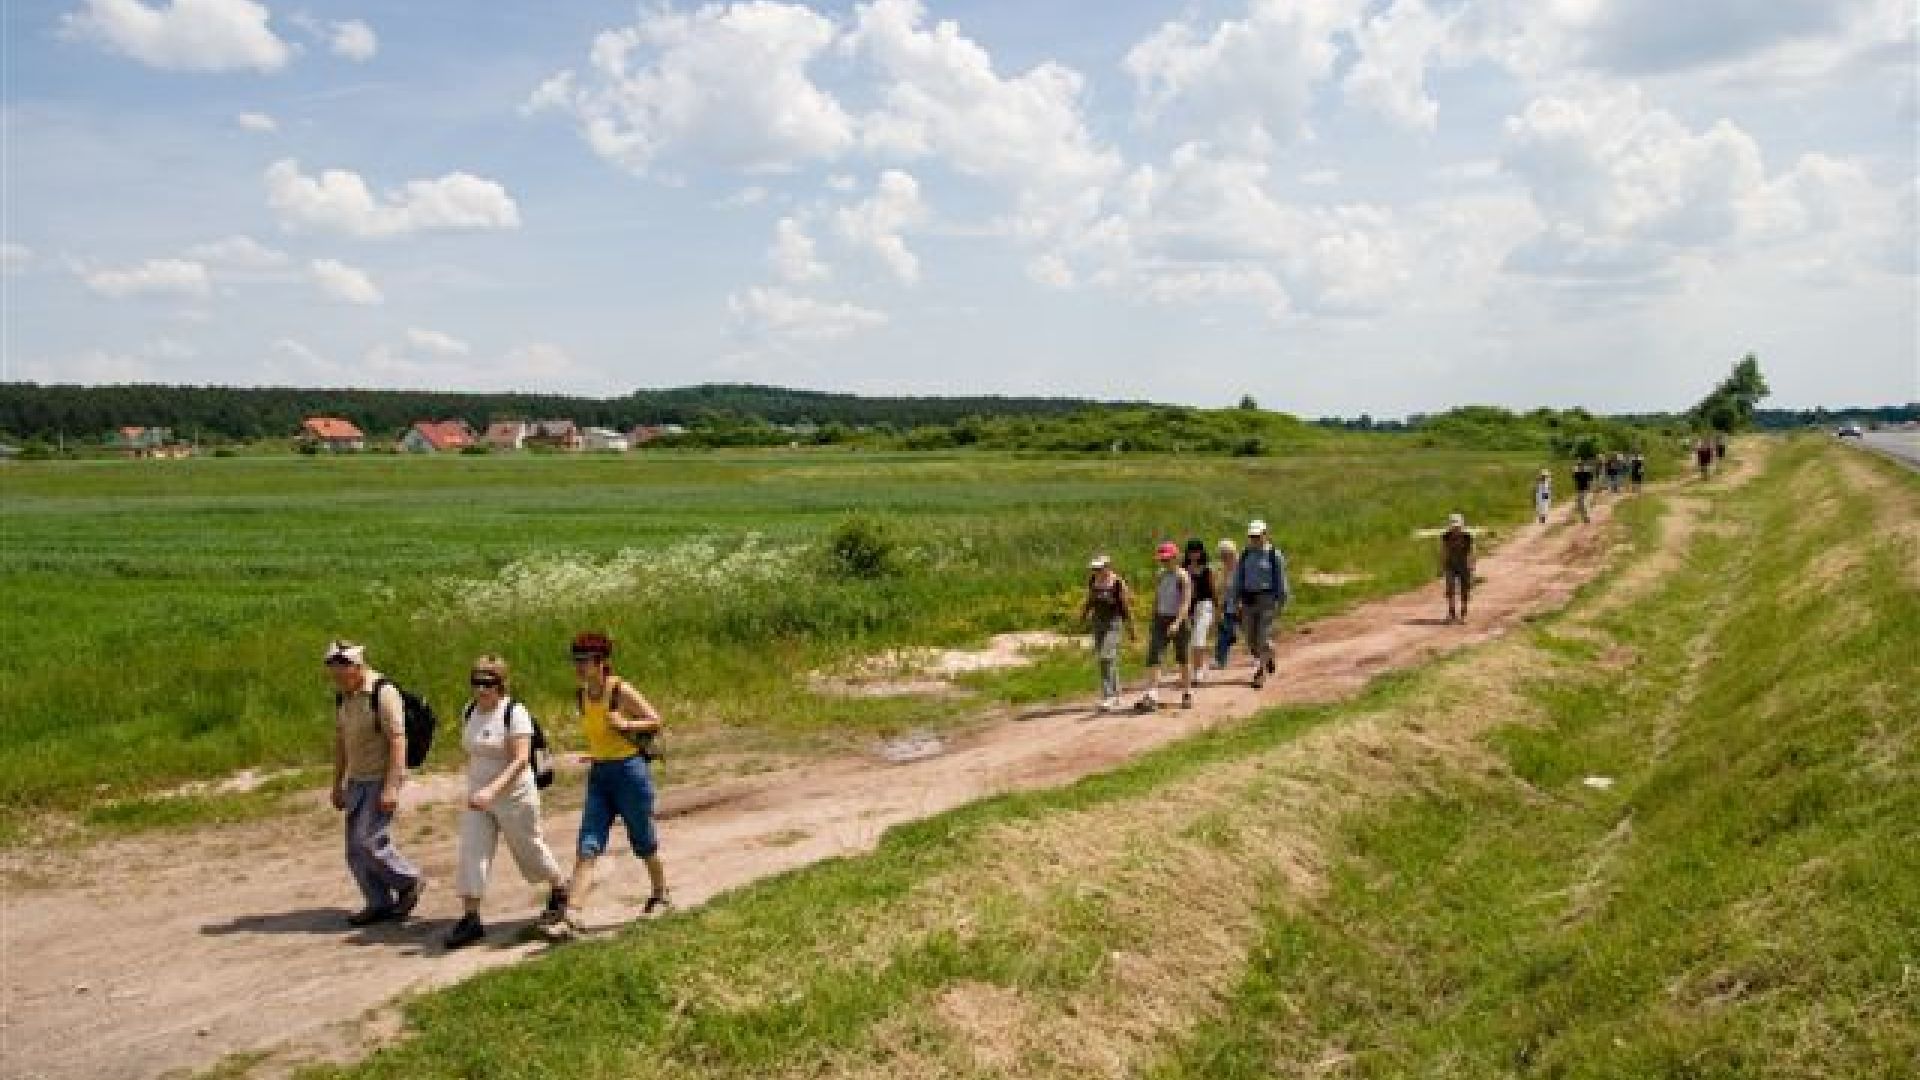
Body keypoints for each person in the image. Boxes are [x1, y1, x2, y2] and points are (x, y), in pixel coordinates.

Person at [541, 631, 671, 941]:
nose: (579, 667)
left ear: (602, 663)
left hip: (630, 774)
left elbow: (655, 719)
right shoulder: (582, 695)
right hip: (600, 775)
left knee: (643, 840)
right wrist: (596, 753)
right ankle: (572, 917)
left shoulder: (621, 691)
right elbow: (600, 733)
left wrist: (627, 724)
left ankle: (660, 894)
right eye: (576, 661)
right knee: (588, 845)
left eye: (585, 662)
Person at [445, 655, 568, 949]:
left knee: (529, 850)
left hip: (514, 796)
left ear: (501, 684)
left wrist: (493, 790)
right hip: (479, 798)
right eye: (476, 682)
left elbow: (521, 760)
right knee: (472, 852)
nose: (481, 689)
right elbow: (474, 751)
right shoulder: (469, 711)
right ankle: (471, 918)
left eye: (487, 683)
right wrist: (478, 788)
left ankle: (560, 888)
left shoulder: (514, 713)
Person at [325, 640, 424, 927]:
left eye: (342, 671)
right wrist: (337, 783)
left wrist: (392, 785)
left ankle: (409, 880)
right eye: (333, 671)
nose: (338, 677)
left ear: (356, 666)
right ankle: (378, 902)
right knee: (355, 849)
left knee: (370, 842)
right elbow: (342, 741)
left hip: (380, 778)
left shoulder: (383, 692)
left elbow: (397, 739)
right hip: (357, 779)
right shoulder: (344, 696)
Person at [1135, 542, 1193, 712]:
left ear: (1176, 558)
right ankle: (1152, 694)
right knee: (1154, 655)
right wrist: (1153, 618)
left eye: (1167, 559)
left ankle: (1187, 692)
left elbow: (1185, 602)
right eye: (1162, 559)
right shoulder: (1160, 575)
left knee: (1183, 658)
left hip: (1179, 621)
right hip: (1160, 619)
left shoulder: (1182, 576)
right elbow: (1157, 598)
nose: (1164, 562)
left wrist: (1177, 622)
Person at [1234, 520, 1291, 689]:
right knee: (1250, 637)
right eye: (1252, 536)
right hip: (1248, 600)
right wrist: (1235, 600)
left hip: (1267, 600)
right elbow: (1239, 578)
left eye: (1257, 536)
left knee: (1262, 636)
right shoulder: (1245, 554)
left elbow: (1281, 579)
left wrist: (1282, 601)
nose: (1254, 539)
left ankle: (1260, 672)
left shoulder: (1274, 555)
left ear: (1265, 535)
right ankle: (1269, 655)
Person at [1078, 555, 1134, 711]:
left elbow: (1125, 606)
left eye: (1099, 568)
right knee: (1108, 659)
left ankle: (1108, 696)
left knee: (1105, 656)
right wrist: (1083, 616)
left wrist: (1131, 628)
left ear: (1108, 567)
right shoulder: (1093, 581)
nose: (1095, 571)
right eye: (1094, 568)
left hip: (1113, 623)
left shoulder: (1117, 583)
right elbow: (1090, 599)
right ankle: (1116, 694)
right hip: (1098, 622)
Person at [1182, 539, 1216, 687]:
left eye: (1196, 551)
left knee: (1199, 637)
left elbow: (1213, 590)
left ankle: (1198, 671)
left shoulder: (1207, 569)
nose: (1194, 554)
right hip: (1188, 608)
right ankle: (1197, 667)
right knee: (1190, 640)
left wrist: (1217, 610)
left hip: (1204, 605)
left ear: (1201, 552)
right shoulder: (1183, 569)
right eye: (1191, 551)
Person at [1440, 513, 1476, 624]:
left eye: (1458, 526)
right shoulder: (1446, 536)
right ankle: (1451, 613)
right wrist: (1441, 566)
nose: (1456, 529)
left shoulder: (1467, 536)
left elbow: (1471, 551)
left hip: (1463, 565)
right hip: (1450, 565)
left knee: (1464, 588)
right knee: (1450, 588)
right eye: (1454, 526)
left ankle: (1463, 613)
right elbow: (1443, 551)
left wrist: (1472, 564)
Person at [1212, 539, 1240, 670]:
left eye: (1226, 554)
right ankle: (1220, 660)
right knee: (1224, 631)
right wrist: (1218, 610)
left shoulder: (1242, 566)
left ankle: (1258, 656)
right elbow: (1221, 589)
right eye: (1222, 555)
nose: (1223, 557)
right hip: (1230, 606)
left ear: (1233, 553)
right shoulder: (1223, 570)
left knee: (1251, 633)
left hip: (1245, 606)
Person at [1572, 458, 1596, 523]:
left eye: (1581, 465)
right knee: (1580, 505)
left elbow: (1591, 480)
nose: (1580, 466)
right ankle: (1584, 517)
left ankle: (1587, 517)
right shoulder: (1577, 473)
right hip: (1579, 490)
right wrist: (1574, 471)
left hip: (1586, 490)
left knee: (1585, 504)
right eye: (1579, 465)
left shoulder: (1587, 473)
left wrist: (1591, 488)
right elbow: (1573, 477)